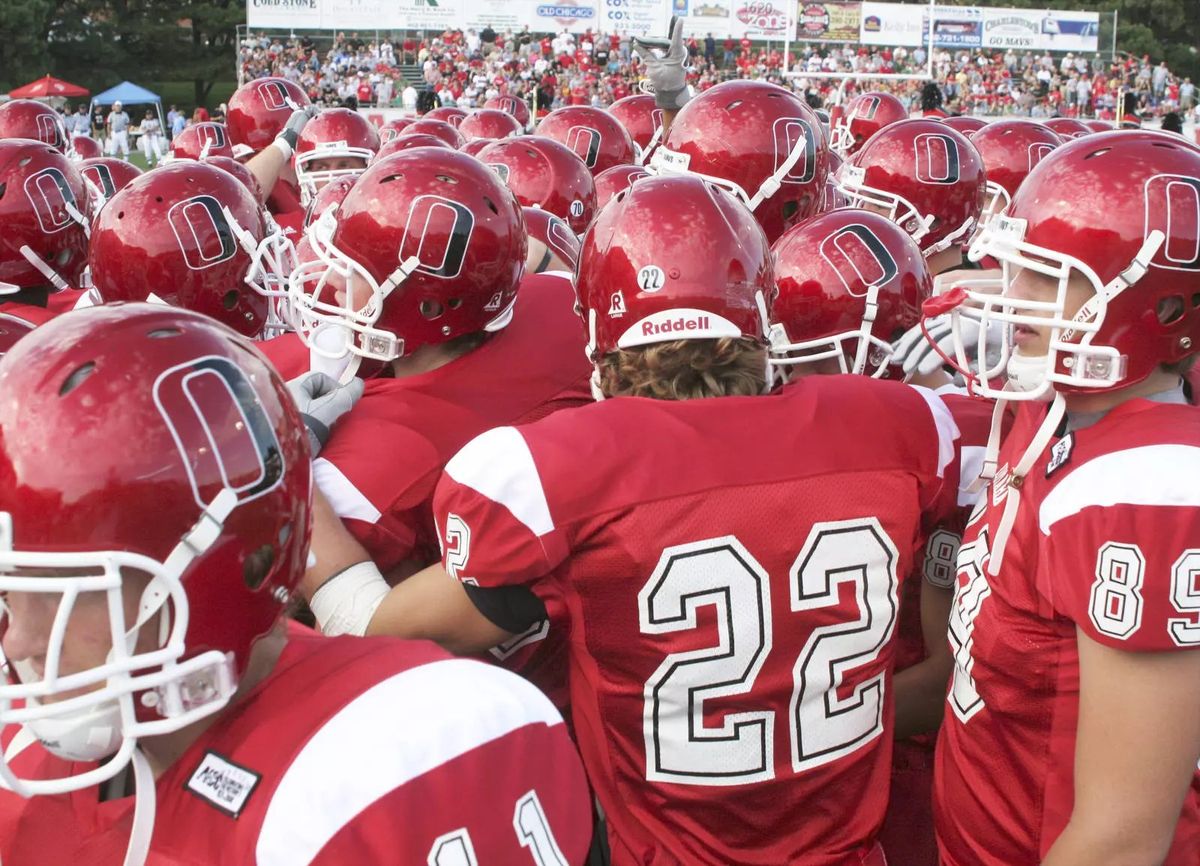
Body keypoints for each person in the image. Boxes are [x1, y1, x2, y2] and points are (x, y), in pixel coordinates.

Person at [307, 174, 962, 864]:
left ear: (599, 326)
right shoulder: (903, 426)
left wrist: (292, 470)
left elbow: (373, 628)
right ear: (760, 311)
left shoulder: (558, 473)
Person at [0, 303, 594, 866]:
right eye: (6, 594)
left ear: (214, 573)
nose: (17, 645)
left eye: (57, 597)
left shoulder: (387, 761)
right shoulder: (24, 749)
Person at [933, 131, 1200, 865]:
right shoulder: (1050, 402)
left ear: (1164, 309)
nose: (1014, 301)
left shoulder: (1149, 486)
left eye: (1048, 280)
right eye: (1018, 270)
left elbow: (1121, 839)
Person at [289, 147, 592, 704]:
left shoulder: (381, 456)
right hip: (575, 652)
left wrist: (277, 459)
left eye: (351, 271)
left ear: (422, 304)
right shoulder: (559, 302)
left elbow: (350, 620)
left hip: (483, 695)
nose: (331, 284)